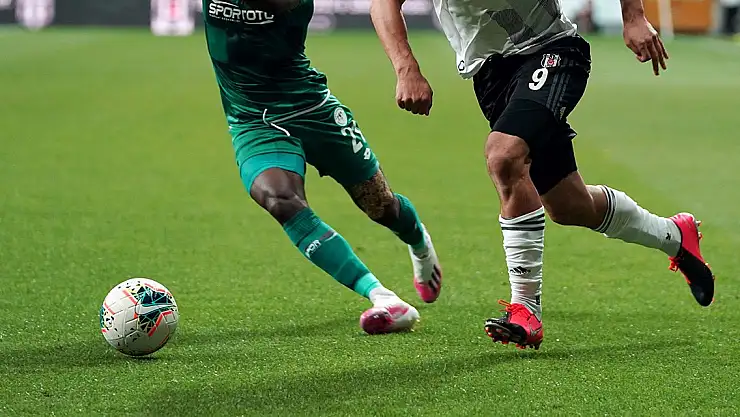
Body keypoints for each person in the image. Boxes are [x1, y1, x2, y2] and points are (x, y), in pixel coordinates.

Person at [370, 0, 714, 349]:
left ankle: (525, 309)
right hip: (490, 73)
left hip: (552, 50)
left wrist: (634, 17)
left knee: (504, 155)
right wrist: (406, 68)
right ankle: (674, 235)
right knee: (569, 205)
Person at [201, 0, 443, 335]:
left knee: (381, 206)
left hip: (312, 109)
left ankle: (418, 241)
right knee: (280, 200)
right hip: (253, 120)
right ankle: (383, 297)